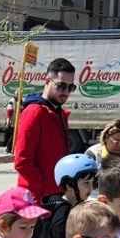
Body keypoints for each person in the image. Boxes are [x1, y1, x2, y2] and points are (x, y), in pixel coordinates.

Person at [13, 58, 76, 204]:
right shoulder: (34, 113)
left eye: (70, 87)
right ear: (47, 81)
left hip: (54, 195)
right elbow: (22, 161)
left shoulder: (58, 114)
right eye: (61, 86)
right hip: (37, 199)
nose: (65, 92)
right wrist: (43, 187)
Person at [30, 152, 98, 238]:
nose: (90, 188)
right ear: (69, 185)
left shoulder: (63, 204)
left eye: (92, 183)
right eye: (86, 183)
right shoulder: (61, 211)